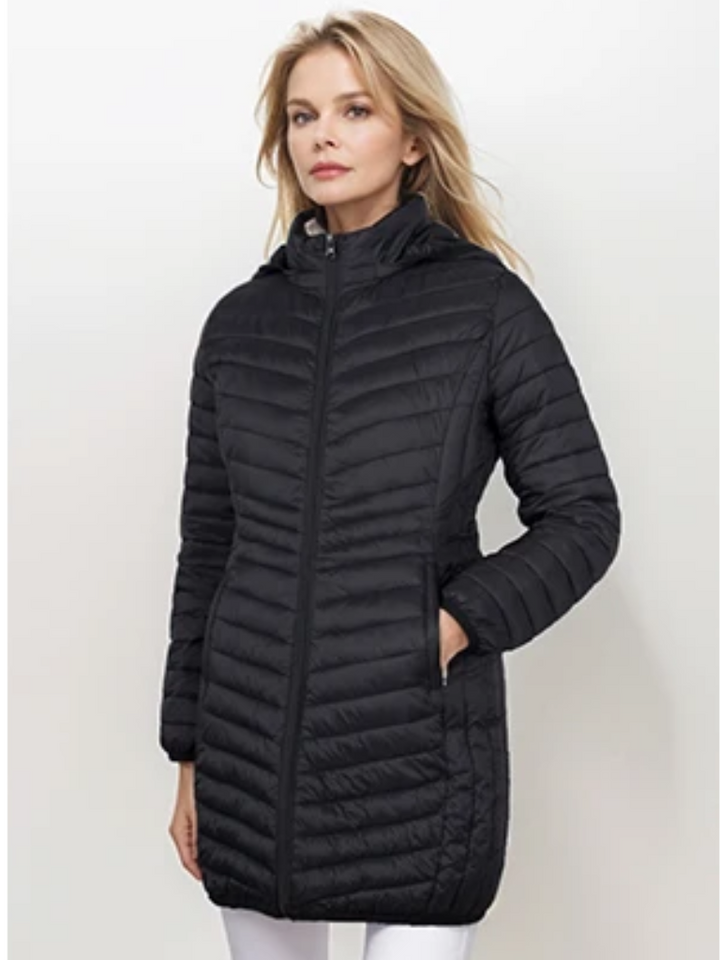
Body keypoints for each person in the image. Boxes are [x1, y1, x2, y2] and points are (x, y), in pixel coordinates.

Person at [159, 10, 622, 959]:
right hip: (250, 758)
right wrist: (188, 755)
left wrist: (447, 626)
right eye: (302, 116)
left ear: (413, 139)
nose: (322, 136)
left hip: (416, 753)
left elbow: (582, 516)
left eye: (355, 109)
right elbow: (209, 549)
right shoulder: (240, 326)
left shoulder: (483, 305)